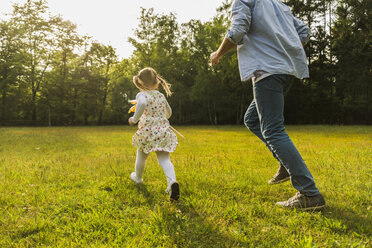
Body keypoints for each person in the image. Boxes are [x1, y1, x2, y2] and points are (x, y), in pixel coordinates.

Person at [210, 0, 325, 210]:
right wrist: (287, 51)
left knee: (273, 130)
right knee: (252, 119)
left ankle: (309, 193)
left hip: (267, 71)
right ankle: (285, 164)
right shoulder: (278, 5)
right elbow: (304, 31)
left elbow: (237, 31)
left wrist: (217, 54)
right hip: (286, 71)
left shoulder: (244, 1)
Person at [128, 67, 179, 201]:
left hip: (147, 131)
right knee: (164, 159)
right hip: (162, 130)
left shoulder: (141, 95)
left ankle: (138, 178)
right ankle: (172, 182)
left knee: (141, 156)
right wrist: (162, 118)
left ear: (141, 83)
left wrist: (134, 119)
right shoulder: (160, 95)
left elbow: (143, 103)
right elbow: (169, 113)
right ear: (156, 82)